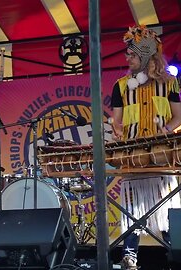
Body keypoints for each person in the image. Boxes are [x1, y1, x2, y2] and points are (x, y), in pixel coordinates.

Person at [110, 25, 181, 269]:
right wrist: (116, 129)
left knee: (168, 208)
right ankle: (130, 257)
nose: (126, 58)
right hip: (133, 157)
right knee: (132, 208)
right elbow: (117, 121)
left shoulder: (169, 84)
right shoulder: (120, 86)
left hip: (162, 156)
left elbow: (178, 117)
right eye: (127, 54)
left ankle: (176, 253)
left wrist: (167, 130)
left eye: (131, 54)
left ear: (146, 55)